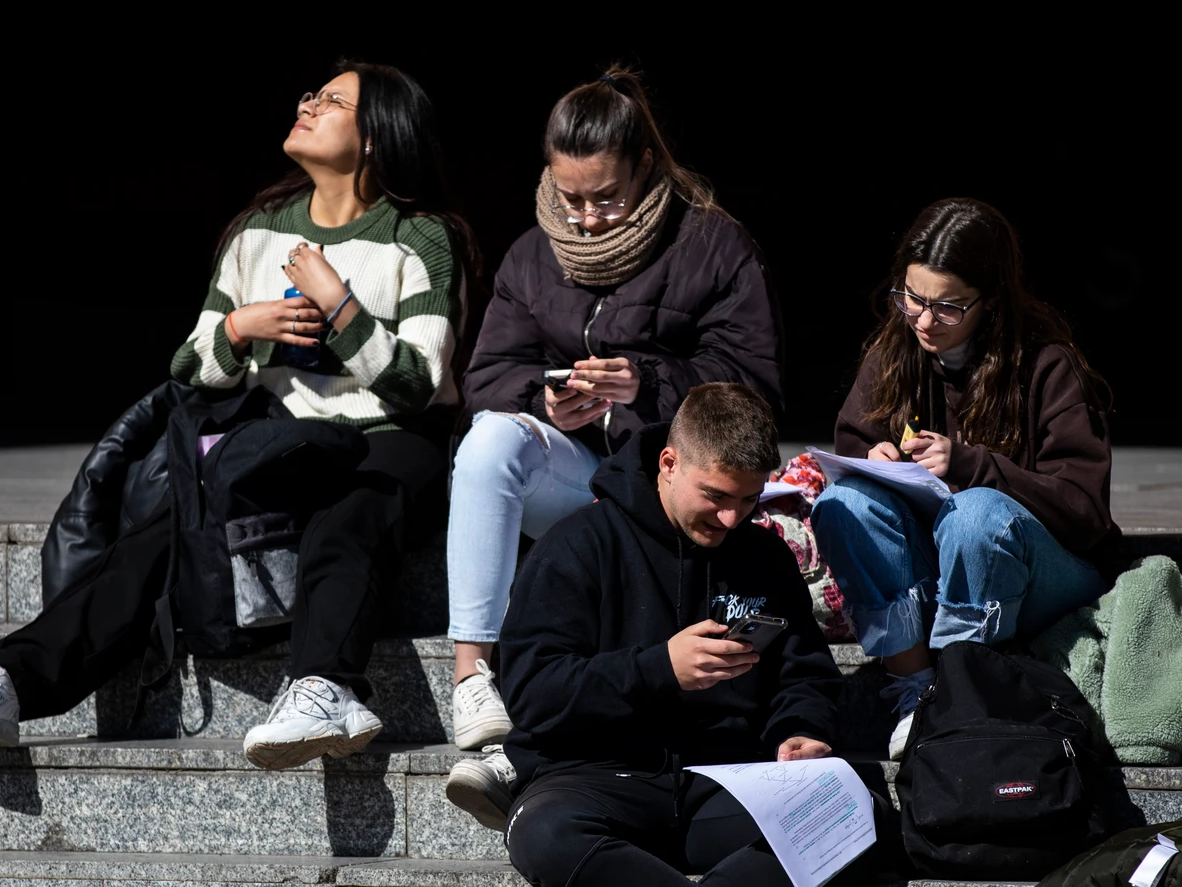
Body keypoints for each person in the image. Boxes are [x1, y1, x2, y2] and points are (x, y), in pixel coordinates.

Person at [0, 60, 472, 771]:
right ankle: (6, 682)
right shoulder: (257, 231)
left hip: (385, 443)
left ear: (378, 135)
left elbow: (419, 382)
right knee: (151, 544)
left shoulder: (420, 237)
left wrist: (340, 305)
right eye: (311, 95)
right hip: (275, 442)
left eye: (331, 101)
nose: (307, 104)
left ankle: (325, 686)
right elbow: (190, 366)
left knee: (348, 512)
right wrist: (241, 329)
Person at [443, 67, 785, 808]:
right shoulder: (532, 254)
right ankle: (472, 670)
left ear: (647, 169)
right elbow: (485, 376)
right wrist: (544, 396)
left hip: (662, 485)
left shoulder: (712, 243)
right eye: (572, 197)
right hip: (576, 477)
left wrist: (647, 384)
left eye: (607, 197)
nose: (589, 217)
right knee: (489, 441)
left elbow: (755, 384)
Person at [490, 382, 855, 886]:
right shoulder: (576, 545)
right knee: (545, 835)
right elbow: (533, 695)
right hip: (595, 778)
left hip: (727, 781)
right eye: (717, 496)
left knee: (854, 815)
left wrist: (802, 731)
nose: (732, 517)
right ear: (668, 463)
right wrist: (659, 668)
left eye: (750, 499)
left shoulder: (764, 555)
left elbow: (805, 675)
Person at [813, 197, 1117, 760]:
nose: (925, 320)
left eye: (948, 307)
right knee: (843, 502)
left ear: (991, 302)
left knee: (976, 512)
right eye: (912, 298)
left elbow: (1084, 512)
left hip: (1041, 572)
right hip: (937, 566)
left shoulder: (1046, 365)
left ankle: (960, 695)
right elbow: (851, 445)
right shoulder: (896, 350)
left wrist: (973, 464)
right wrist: (873, 459)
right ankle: (912, 689)